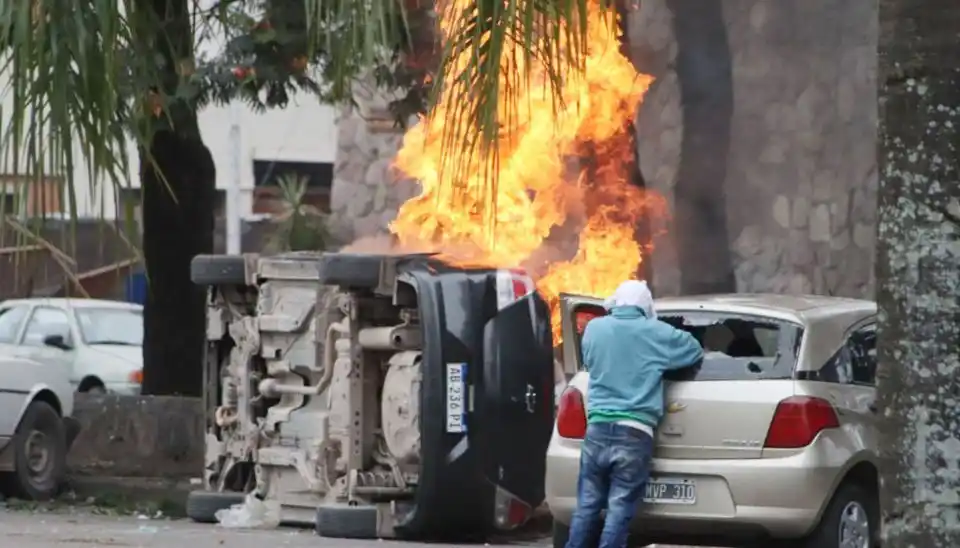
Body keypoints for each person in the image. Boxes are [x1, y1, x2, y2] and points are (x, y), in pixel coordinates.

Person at [565, 280, 704, 548]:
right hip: (634, 432)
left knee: (586, 506)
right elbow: (693, 350)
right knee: (619, 509)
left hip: (597, 430)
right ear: (644, 307)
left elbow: (590, 362)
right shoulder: (657, 332)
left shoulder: (594, 328)